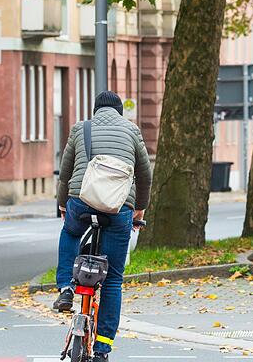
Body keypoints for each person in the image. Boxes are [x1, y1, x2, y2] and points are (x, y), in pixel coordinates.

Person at [54, 90, 152, 361]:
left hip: (81, 202)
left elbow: (65, 173)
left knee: (71, 232)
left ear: (95, 110)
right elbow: (145, 176)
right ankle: (102, 350)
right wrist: (139, 208)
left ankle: (66, 287)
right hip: (119, 208)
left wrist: (63, 204)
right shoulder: (132, 131)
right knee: (113, 281)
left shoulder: (80, 128)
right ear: (119, 112)